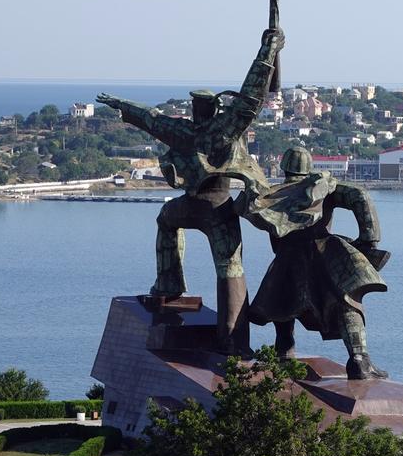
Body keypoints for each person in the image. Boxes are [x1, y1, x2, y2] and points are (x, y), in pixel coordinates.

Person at [96, 27, 283, 354]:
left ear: (196, 108)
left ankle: (170, 283)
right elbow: (251, 96)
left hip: (192, 204)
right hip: (218, 209)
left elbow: (150, 119)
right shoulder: (225, 128)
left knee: (167, 220)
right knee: (230, 268)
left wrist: (120, 104)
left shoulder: (184, 130)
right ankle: (233, 340)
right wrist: (268, 49)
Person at [244, 146, 390, 380]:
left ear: (283, 167)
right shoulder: (323, 187)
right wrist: (368, 239)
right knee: (347, 303)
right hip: (325, 253)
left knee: (282, 303)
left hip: (288, 257)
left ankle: (283, 352)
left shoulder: (272, 195)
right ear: (309, 167)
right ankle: (359, 359)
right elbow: (360, 196)